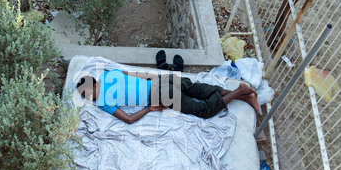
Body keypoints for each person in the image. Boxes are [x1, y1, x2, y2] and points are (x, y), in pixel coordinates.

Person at [76, 53, 259, 124]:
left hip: (161, 93)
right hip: (164, 80)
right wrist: (156, 77)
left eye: (86, 94)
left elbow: (129, 120)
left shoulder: (102, 102)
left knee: (203, 110)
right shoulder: (109, 74)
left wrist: (150, 108)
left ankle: (239, 91)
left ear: (93, 85)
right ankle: (244, 95)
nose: (88, 98)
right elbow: (134, 73)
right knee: (197, 90)